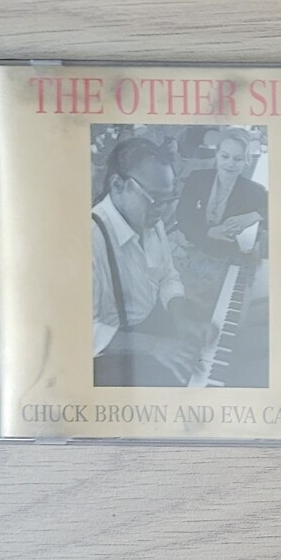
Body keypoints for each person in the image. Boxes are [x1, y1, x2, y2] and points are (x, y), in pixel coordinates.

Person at [91, 138, 212, 386]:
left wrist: (180, 317)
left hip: (148, 325)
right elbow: (83, 331)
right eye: (155, 198)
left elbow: (167, 276)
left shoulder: (150, 219)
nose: (164, 211)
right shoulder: (89, 240)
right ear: (118, 185)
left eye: (170, 199)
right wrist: (155, 346)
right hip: (107, 354)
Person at [175, 129, 268, 262]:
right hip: (189, 247)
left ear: (246, 160)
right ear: (217, 155)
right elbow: (182, 216)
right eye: (225, 156)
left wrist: (254, 216)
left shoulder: (253, 191)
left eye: (238, 159)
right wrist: (209, 232)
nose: (230, 164)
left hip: (225, 254)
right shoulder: (197, 179)